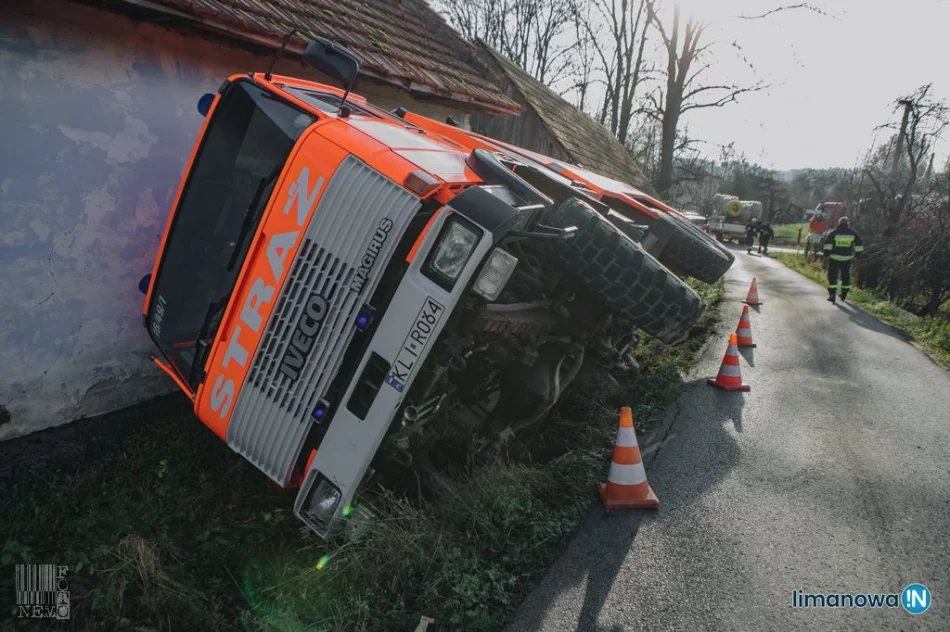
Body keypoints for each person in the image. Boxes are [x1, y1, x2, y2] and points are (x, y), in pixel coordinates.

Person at [821, 216, 864, 303]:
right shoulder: (853, 233)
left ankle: (832, 295)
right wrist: (858, 255)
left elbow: (827, 244)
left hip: (834, 258)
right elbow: (859, 245)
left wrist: (826, 254)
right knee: (845, 277)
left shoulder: (834, 233)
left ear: (839, 223)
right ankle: (844, 295)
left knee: (832, 276)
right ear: (847, 223)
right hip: (847, 259)